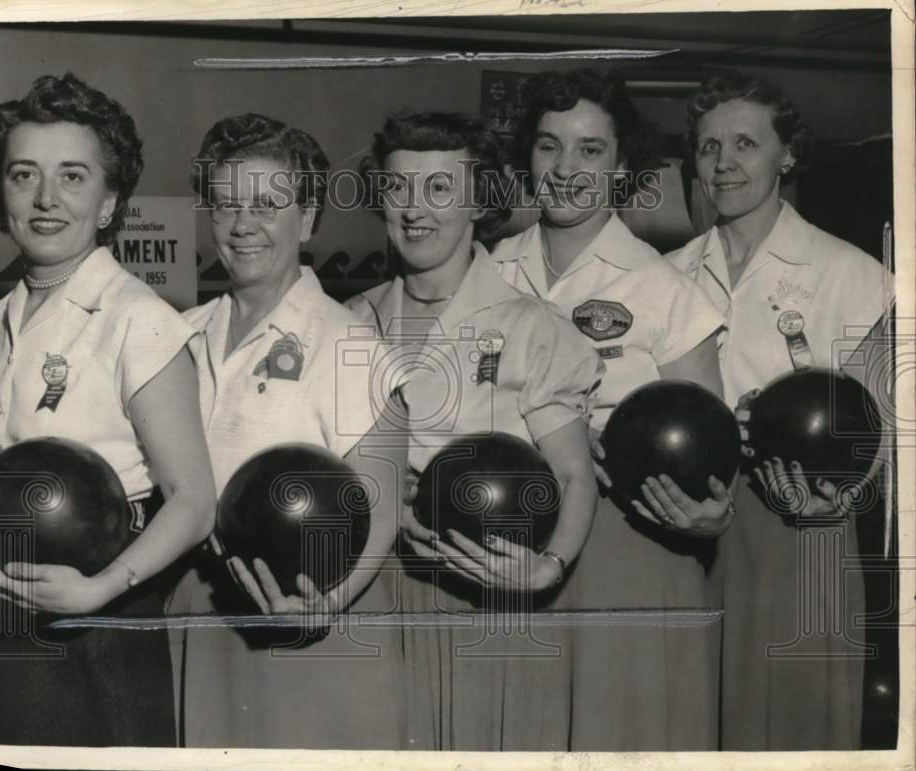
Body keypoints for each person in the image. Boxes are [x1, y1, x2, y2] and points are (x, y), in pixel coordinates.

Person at [0, 72, 216, 746]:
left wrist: (99, 591)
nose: (44, 200)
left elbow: (193, 500)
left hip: (97, 625)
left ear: (108, 201)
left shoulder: (138, 319)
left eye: (71, 176)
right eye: (23, 175)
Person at [490, 68, 733, 750]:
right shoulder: (487, 273)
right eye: (547, 146)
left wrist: (714, 510)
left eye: (590, 150)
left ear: (623, 167)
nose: (566, 168)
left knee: (623, 737)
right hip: (509, 538)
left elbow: (710, 453)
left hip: (631, 547)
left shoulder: (666, 289)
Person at [345, 111, 603, 751]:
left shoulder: (531, 327)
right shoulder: (346, 320)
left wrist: (548, 568)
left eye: (439, 189)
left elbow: (573, 473)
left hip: (486, 598)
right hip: (367, 594)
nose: (415, 210)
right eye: (399, 188)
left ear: (477, 202)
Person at [667, 71, 894, 750]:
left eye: (745, 144)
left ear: (785, 155)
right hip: (690, 518)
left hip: (804, 520)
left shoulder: (850, 274)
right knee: (696, 719)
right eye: (709, 148)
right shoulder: (669, 274)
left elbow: (881, 428)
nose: (724, 163)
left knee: (793, 727)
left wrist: (839, 493)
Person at [166, 112, 407, 750]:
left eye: (268, 205)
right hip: (203, 607)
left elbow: (379, 510)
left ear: (308, 219)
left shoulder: (351, 343)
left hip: (314, 613)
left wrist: (329, 605)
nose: (243, 226)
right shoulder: (181, 335)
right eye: (224, 205)